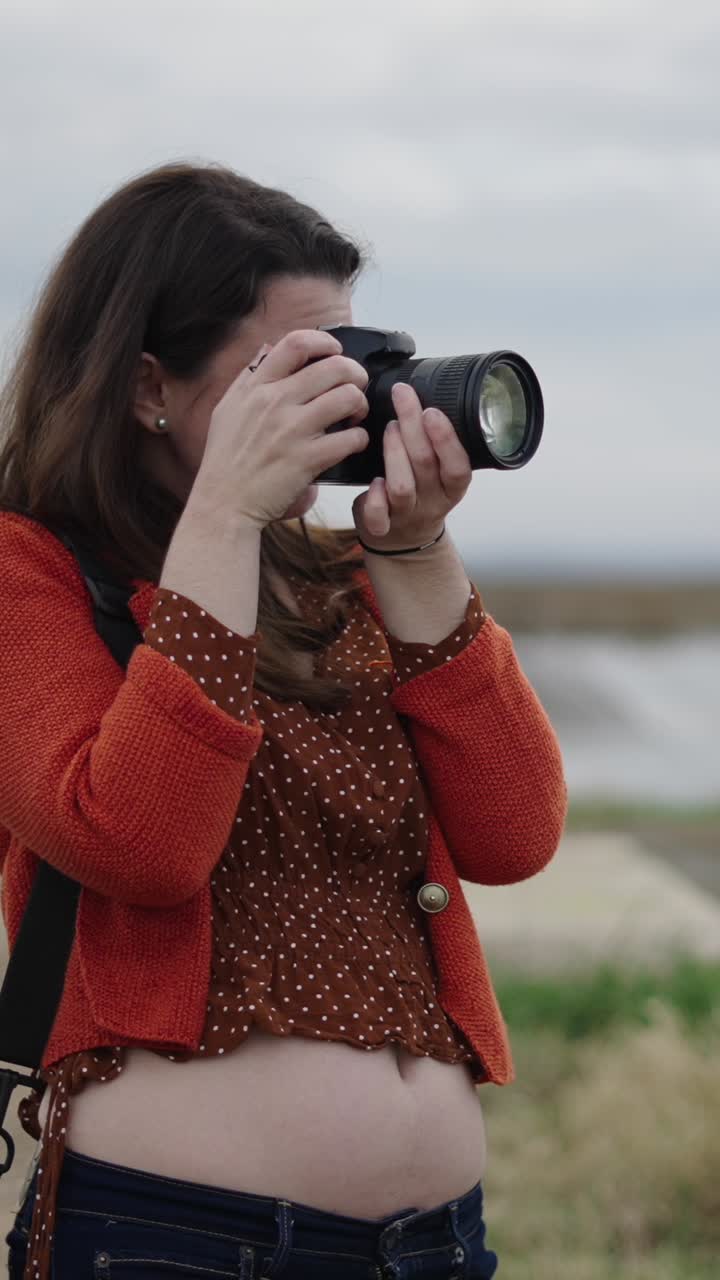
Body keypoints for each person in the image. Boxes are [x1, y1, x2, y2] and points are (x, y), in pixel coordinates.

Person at [0, 161, 567, 1280]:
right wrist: (225, 514)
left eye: (350, 361)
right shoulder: (30, 573)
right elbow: (139, 841)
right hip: (174, 1238)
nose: (336, 401)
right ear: (146, 384)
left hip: (433, 1241)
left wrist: (410, 549)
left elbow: (517, 832)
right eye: (292, 368)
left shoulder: (340, 576)